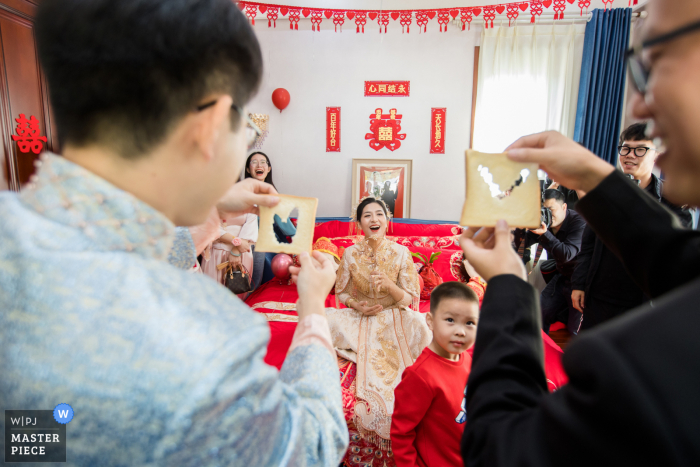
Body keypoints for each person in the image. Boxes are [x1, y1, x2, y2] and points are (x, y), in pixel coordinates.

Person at [0, 1, 348, 465]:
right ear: (209, 126)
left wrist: (211, 215)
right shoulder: (208, 344)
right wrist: (312, 310)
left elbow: (116, 257)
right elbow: (313, 446)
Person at [459, 0, 700, 464]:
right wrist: (593, 177)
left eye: (661, 60)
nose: (640, 101)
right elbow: (681, 261)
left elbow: (503, 451)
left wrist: (509, 286)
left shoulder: (652, 365)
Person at [327, 197, 432, 461]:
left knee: (422, 325)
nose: (374, 220)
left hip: (393, 314)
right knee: (324, 319)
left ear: (387, 221)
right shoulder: (350, 253)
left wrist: (389, 285)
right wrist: (358, 306)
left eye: (379, 215)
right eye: (367, 215)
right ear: (359, 223)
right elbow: (341, 292)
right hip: (361, 316)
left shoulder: (401, 253)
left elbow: (409, 298)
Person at [572, 122, 692, 330]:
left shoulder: (672, 199)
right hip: (600, 294)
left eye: (640, 150)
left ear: (656, 155)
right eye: (625, 148)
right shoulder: (604, 193)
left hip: (643, 301)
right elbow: (588, 244)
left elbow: (670, 251)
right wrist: (578, 284)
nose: (630, 155)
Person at [391, 282, 479, 467]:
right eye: (450, 320)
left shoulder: (468, 359)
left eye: (469, 322)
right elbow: (401, 432)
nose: (460, 331)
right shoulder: (420, 376)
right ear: (430, 321)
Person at [514, 189, 586, 334]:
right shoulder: (545, 224)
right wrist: (520, 228)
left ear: (564, 207)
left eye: (551, 209)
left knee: (575, 331)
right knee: (539, 313)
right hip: (562, 277)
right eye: (543, 210)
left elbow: (567, 254)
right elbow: (520, 245)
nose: (547, 215)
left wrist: (544, 234)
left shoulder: (579, 222)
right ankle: (540, 352)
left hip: (581, 283)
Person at [243, 151, 296, 290]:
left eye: (263, 162)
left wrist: (297, 238)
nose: (259, 165)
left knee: (253, 284)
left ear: (268, 168)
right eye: (254, 162)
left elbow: (283, 221)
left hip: (261, 244)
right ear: (248, 169)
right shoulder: (241, 192)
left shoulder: (272, 194)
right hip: (240, 241)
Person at [199, 210, 257, 292]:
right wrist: (237, 242)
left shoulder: (250, 200)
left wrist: (236, 250)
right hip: (217, 252)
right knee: (212, 291)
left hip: (242, 252)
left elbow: (251, 225)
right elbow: (210, 225)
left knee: (239, 289)